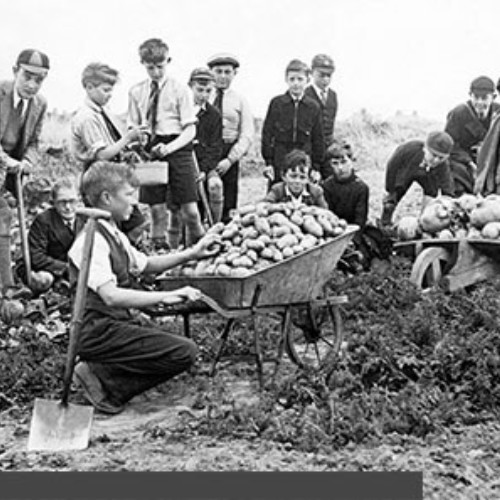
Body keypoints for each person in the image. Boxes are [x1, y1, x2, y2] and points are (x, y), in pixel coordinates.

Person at [69, 161, 221, 415]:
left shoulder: (113, 233)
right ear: (107, 198)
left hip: (115, 324)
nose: (135, 202)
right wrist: (167, 295)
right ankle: (104, 380)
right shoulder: (91, 241)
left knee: (164, 343)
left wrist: (192, 253)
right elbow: (111, 296)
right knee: (184, 352)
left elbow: (146, 264)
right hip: (97, 330)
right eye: (128, 195)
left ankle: (101, 371)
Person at [129, 38, 204, 250]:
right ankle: (161, 259)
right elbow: (133, 124)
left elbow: (190, 129)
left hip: (177, 147)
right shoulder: (136, 92)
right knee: (156, 211)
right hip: (151, 149)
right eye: (150, 67)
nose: (156, 72)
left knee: (190, 210)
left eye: (160, 67)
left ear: (168, 61)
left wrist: (170, 148)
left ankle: (200, 252)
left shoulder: (179, 90)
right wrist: (139, 140)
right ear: (142, 63)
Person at [71, 62, 148, 243]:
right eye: (105, 90)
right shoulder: (87, 117)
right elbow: (102, 154)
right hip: (96, 176)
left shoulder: (103, 112)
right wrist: (128, 138)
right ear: (89, 87)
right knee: (106, 226)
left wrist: (130, 146)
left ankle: (124, 256)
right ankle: (117, 257)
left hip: (112, 175)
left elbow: (112, 144)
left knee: (133, 222)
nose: (110, 95)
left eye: (111, 90)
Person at [0, 49, 50, 295]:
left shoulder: (40, 104)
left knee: (4, 218)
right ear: (14, 71)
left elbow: (34, 142)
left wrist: (28, 161)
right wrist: (6, 160)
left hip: (10, 171)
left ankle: (9, 286)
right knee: (3, 215)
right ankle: (7, 286)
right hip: (3, 162)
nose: (32, 85)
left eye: (38, 79)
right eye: (27, 76)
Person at [167, 68, 223, 248]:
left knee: (213, 189)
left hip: (203, 165)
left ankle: (213, 228)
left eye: (208, 91)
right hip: (181, 162)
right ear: (190, 87)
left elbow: (215, 147)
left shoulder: (214, 115)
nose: (204, 95)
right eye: (200, 90)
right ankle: (178, 247)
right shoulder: (181, 110)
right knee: (178, 211)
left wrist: (205, 170)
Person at [261, 59, 324, 188]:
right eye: (292, 79)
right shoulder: (277, 103)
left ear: (307, 80)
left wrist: (316, 166)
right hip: (281, 156)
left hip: (304, 155)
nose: (296, 84)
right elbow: (267, 134)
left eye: (300, 79)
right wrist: (269, 162)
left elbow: (318, 138)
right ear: (286, 80)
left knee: (303, 192)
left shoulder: (313, 106)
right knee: (277, 192)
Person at [207, 53, 254, 222]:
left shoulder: (240, 100)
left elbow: (247, 134)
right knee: (201, 199)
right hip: (204, 152)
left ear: (235, 73)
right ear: (210, 72)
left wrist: (230, 159)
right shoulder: (202, 96)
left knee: (228, 202)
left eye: (228, 72)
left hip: (228, 152)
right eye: (218, 71)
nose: (223, 76)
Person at [16, 177, 84, 294]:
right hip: (47, 268)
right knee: (43, 280)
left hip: (75, 269)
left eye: (72, 201)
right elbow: (36, 256)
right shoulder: (44, 220)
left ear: (78, 200)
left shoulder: (85, 219)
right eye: (62, 202)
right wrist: (66, 268)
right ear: (53, 203)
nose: (68, 207)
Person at [380, 131, 455, 227]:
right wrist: (389, 189)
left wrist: (447, 205)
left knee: (430, 198)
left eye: (441, 158)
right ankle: (385, 223)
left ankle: (423, 225)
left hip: (429, 177)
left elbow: (448, 187)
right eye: (433, 155)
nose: (436, 160)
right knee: (392, 199)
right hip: (407, 170)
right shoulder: (408, 149)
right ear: (425, 149)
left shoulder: (443, 165)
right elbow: (392, 167)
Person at [445, 76, 500, 195]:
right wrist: (469, 162)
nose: (479, 102)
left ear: (493, 97)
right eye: (476, 97)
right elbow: (449, 145)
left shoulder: (498, 114)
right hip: (465, 164)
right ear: (470, 95)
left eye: (484, 98)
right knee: (453, 170)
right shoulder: (458, 113)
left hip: (491, 163)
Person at [305, 54, 338, 179]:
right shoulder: (305, 95)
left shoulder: (333, 96)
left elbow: (330, 125)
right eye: (321, 75)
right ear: (312, 73)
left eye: (328, 76)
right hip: (310, 151)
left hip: (328, 152)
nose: (325, 79)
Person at [322, 143, 369, 229]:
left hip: (354, 231)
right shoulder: (326, 186)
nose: (340, 167)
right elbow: (326, 217)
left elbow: (360, 221)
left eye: (344, 162)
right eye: (335, 163)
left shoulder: (361, 187)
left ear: (352, 162)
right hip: (333, 230)